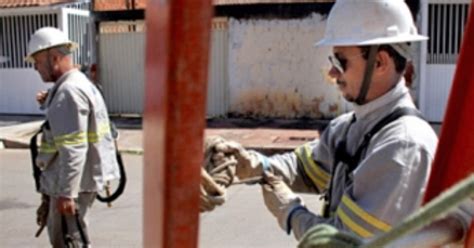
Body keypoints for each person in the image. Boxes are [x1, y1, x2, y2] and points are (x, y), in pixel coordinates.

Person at [207, 0, 472, 244]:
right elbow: (304, 168)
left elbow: (343, 244)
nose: (333, 72)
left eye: (341, 61)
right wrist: (253, 164)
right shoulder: (353, 125)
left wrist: (290, 213)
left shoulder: (402, 147)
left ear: (379, 62)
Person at [26, 27, 120, 247]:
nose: (35, 68)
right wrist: (51, 98)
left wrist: (67, 194)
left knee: (69, 241)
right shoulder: (77, 84)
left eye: (37, 61)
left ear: (55, 58)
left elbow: (73, 149)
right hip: (78, 181)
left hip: (70, 185)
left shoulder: (68, 92)